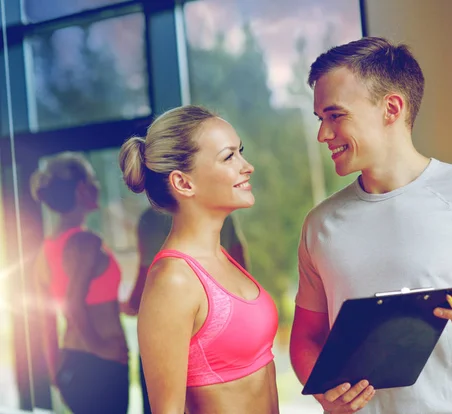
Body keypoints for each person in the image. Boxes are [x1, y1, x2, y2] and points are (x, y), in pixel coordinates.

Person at [289, 37, 452, 414]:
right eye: (321, 119)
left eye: (336, 116)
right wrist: (321, 391)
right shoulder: (319, 224)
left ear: (392, 108)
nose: (323, 134)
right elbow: (306, 336)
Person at [118, 105, 279, 414]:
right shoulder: (173, 281)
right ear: (183, 183)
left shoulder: (220, 257)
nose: (247, 167)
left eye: (240, 152)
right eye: (229, 156)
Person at [31, 152, 129, 414]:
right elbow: (73, 305)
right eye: (93, 180)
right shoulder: (85, 242)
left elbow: (47, 319)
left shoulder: (46, 250)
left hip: (73, 365)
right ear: (82, 189)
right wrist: (103, 348)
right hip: (99, 367)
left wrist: (56, 372)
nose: (97, 187)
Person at [123, 208, 249, 414]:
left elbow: (145, 278)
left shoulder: (150, 219)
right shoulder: (220, 213)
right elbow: (241, 266)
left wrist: (129, 305)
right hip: (206, 330)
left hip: (186, 332)